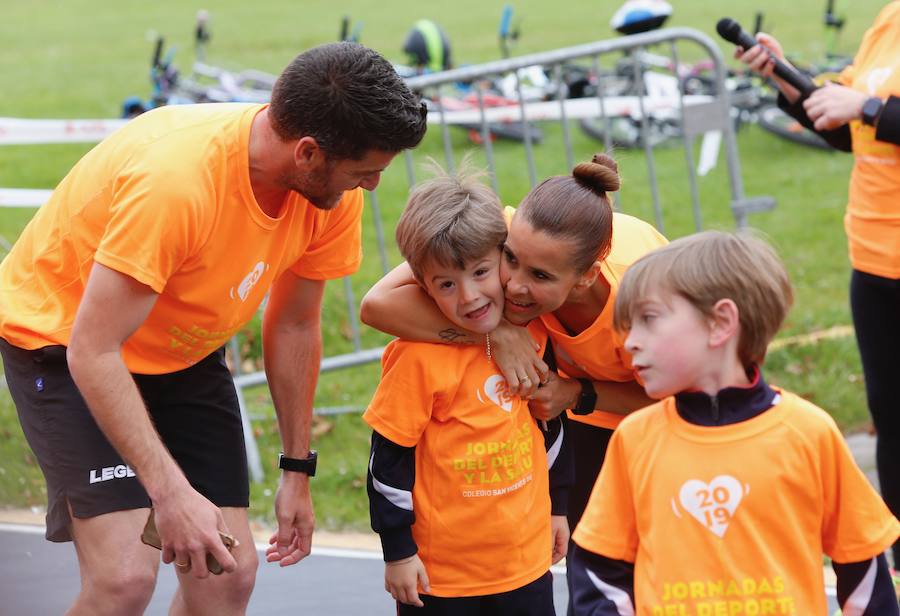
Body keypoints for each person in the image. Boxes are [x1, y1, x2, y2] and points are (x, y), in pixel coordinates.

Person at [0, 42, 426, 615]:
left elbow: (296, 324)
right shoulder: (176, 184)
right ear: (307, 152)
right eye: (365, 171)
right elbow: (93, 349)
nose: (372, 186)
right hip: (67, 340)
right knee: (125, 578)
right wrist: (168, 492)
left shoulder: (329, 194)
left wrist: (297, 470)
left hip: (181, 349)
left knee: (226, 576)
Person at [360, 153, 666, 611]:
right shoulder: (496, 234)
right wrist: (496, 332)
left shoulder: (645, 306)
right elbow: (377, 304)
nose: (514, 286)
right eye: (510, 261)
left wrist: (576, 394)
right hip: (549, 406)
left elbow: (684, 399)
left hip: (634, 405)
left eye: (539, 276)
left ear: (586, 277)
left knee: (613, 564)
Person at [569, 230, 900, 615]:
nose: (630, 342)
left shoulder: (808, 433)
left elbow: (863, 568)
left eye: (648, 320)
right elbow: (599, 573)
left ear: (720, 322)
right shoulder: (635, 439)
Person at [363, 165, 572, 614]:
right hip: (443, 578)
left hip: (525, 562)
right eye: (446, 284)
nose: (470, 296)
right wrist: (398, 551)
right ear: (421, 287)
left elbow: (550, 427)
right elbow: (387, 460)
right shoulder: (417, 356)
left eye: (481, 271)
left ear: (504, 258)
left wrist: (558, 507)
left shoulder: (532, 333)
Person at [736, 2, 900, 570]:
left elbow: (869, 114)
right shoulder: (890, 20)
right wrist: (786, 76)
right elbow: (848, 135)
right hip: (877, 259)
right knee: (891, 416)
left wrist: (872, 106)